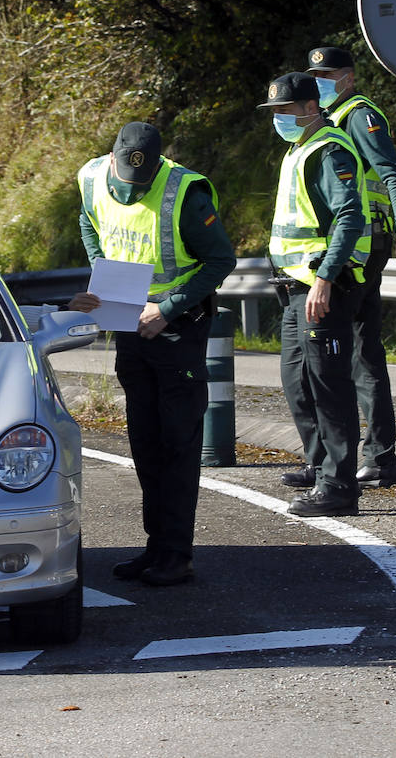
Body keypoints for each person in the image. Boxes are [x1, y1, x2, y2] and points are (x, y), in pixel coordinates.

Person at [69, 122, 236, 584]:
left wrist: (167, 308)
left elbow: (221, 260)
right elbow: (88, 220)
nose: (131, 187)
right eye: (125, 178)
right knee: (144, 441)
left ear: (158, 162)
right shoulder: (91, 179)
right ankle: (154, 546)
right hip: (128, 326)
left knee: (178, 444)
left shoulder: (184, 191)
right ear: (112, 158)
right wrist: (100, 270)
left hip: (178, 329)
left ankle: (176, 554)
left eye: (139, 182)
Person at [304, 46, 396, 489]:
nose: (320, 80)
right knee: (363, 349)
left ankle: (365, 458)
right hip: (359, 242)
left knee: (356, 351)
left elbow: (391, 173)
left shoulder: (356, 114)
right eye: (314, 74)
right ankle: (375, 458)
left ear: (349, 78)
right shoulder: (330, 117)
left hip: (364, 243)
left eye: (328, 73)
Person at [260, 72, 372, 516]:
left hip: (320, 287)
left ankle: (339, 486)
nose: (278, 119)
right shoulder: (299, 149)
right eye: (273, 113)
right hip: (294, 288)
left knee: (329, 386)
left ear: (309, 108)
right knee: (298, 381)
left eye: (284, 111)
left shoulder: (329, 150)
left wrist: (325, 277)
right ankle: (320, 463)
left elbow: (350, 217)